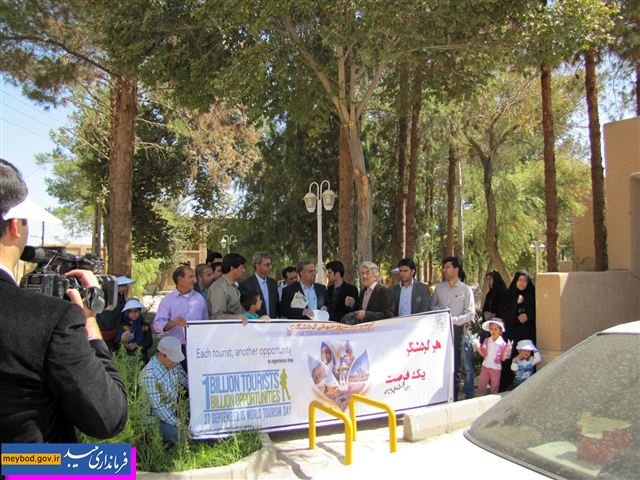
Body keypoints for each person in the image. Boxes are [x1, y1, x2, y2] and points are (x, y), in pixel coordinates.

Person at [0, 158, 127, 442]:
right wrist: (89, 323)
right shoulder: (52, 319)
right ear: (16, 227)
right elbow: (110, 417)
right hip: (33, 463)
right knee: (121, 463)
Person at [430, 256, 475, 401]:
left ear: (456, 269)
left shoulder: (466, 290)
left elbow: (471, 313)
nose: (444, 270)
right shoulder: (439, 288)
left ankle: (453, 397)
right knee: (440, 362)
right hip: (439, 331)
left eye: (447, 267)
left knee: (456, 364)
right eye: (444, 268)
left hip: (457, 330)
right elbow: (431, 306)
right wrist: (442, 313)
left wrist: (454, 320)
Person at [153, 265, 208, 369]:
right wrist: (173, 323)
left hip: (197, 348)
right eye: (191, 277)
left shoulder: (200, 299)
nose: (194, 280)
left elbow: (206, 323)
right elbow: (157, 325)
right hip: (174, 349)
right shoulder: (168, 300)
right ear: (180, 279)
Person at [139, 336, 187, 445]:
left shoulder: (174, 364)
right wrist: (179, 424)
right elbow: (159, 408)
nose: (176, 362)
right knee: (182, 436)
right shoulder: (150, 375)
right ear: (161, 354)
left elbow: (185, 379)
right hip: (155, 420)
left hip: (172, 411)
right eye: (173, 358)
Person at [498, 270, 536, 391]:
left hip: (527, 335)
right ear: (515, 281)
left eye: (525, 280)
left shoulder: (533, 294)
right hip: (512, 335)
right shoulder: (509, 295)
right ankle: (508, 386)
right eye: (520, 280)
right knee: (511, 360)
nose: (522, 283)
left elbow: (538, 312)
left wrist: (528, 316)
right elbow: (503, 313)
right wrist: (516, 305)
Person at [472, 319, 512, 396]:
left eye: (495, 329)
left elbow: (503, 359)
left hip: (495, 368)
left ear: (500, 331)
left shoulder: (502, 343)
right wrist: (477, 345)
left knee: (494, 386)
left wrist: (507, 351)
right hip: (485, 366)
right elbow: (483, 354)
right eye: (491, 329)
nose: (493, 331)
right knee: (482, 383)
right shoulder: (487, 340)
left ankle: (493, 399)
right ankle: (479, 397)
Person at [96, 274, 136, 350]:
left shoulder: (120, 298)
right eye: (122, 286)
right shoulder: (107, 298)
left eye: (125, 286)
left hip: (114, 332)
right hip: (104, 332)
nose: (125, 288)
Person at [239, 251, 279, 318]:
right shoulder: (246, 285)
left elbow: (277, 306)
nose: (270, 267)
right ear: (257, 266)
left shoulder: (273, 283)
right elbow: (245, 309)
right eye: (267, 264)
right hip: (255, 322)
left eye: (270, 264)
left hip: (273, 322)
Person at [208, 253, 247, 319]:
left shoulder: (234, 285)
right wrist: (237, 317)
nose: (244, 270)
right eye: (241, 267)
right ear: (232, 268)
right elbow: (217, 316)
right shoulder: (219, 288)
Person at [116, 298, 153, 363]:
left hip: (141, 356)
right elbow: (117, 341)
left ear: (140, 311)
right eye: (130, 312)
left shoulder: (145, 326)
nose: (133, 314)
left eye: (136, 311)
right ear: (127, 313)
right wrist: (123, 340)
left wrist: (137, 345)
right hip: (126, 356)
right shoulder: (123, 326)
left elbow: (149, 342)